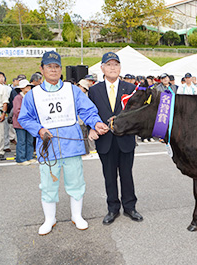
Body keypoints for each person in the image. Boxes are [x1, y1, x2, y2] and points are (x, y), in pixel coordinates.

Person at [18, 51, 109, 235]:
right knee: (48, 184)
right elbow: (25, 118)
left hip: (72, 145)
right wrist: (39, 130)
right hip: (47, 147)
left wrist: (96, 122)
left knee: (76, 182)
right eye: (49, 66)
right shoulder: (32, 94)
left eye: (56, 66)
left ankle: (77, 215)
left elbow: (87, 110)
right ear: (42, 69)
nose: (53, 70)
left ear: (61, 69)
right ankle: (49, 219)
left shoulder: (72, 90)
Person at [88, 51, 144, 225]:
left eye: (116, 64)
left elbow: (138, 113)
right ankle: (113, 208)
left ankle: (130, 207)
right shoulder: (94, 90)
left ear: (120, 67)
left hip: (125, 140)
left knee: (127, 174)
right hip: (105, 141)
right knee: (109, 175)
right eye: (109, 64)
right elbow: (89, 113)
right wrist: (92, 128)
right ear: (102, 68)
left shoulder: (130, 89)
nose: (113, 68)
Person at [12, 80, 35, 165]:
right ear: (22, 88)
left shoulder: (29, 97)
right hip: (20, 123)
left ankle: (29, 156)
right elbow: (17, 111)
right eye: (27, 86)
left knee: (29, 140)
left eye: (29, 86)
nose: (29, 88)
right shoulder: (18, 98)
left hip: (29, 123)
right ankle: (20, 159)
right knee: (22, 141)